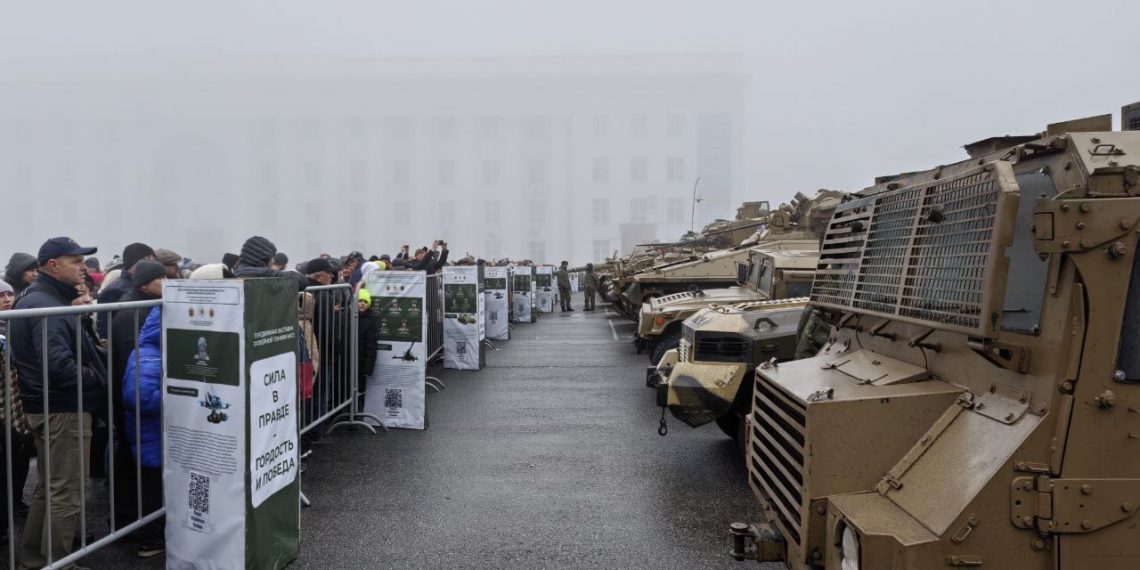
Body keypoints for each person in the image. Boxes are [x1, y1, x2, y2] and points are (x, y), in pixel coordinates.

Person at [10, 237, 105, 569]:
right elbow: (58, 366)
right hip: (62, 408)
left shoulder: (42, 299)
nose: (83, 267)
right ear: (52, 265)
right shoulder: (45, 304)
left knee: (48, 489)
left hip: (49, 405)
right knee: (66, 492)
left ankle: (36, 561)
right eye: (74, 260)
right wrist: (98, 377)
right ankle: (62, 563)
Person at [107, 260, 167, 534]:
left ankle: (133, 523)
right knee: (135, 469)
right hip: (132, 406)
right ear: (144, 284)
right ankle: (133, 525)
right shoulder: (135, 313)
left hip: (134, 403)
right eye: (161, 278)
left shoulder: (143, 307)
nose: (167, 283)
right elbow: (134, 368)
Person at [121, 306, 165, 558]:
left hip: (157, 436)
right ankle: (150, 540)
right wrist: (177, 393)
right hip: (151, 438)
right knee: (153, 491)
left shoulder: (156, 352)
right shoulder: (148, 357)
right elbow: (138, 398)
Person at [0, 286, 34, 547]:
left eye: (10, 295)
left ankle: (14, 502)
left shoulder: (17, 325)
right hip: (5, 409)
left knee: (17, 456)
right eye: (1, 296)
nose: (7, 300)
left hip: (16, 410)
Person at [96, 242, 156, 339]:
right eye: (146, 261)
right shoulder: (114, 290)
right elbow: (105, 326)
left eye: (153, 261)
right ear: (132, 263)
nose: (151, 266)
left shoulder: (144, 286)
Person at [356, 288, 378, 407]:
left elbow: (371, 346)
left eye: (365, 301)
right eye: (360, 300)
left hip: (361, 362)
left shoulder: (369, 323)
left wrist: (368, 367)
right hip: (348, 361)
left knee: (360, 387)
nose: (363, 303)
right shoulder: (348, 317)